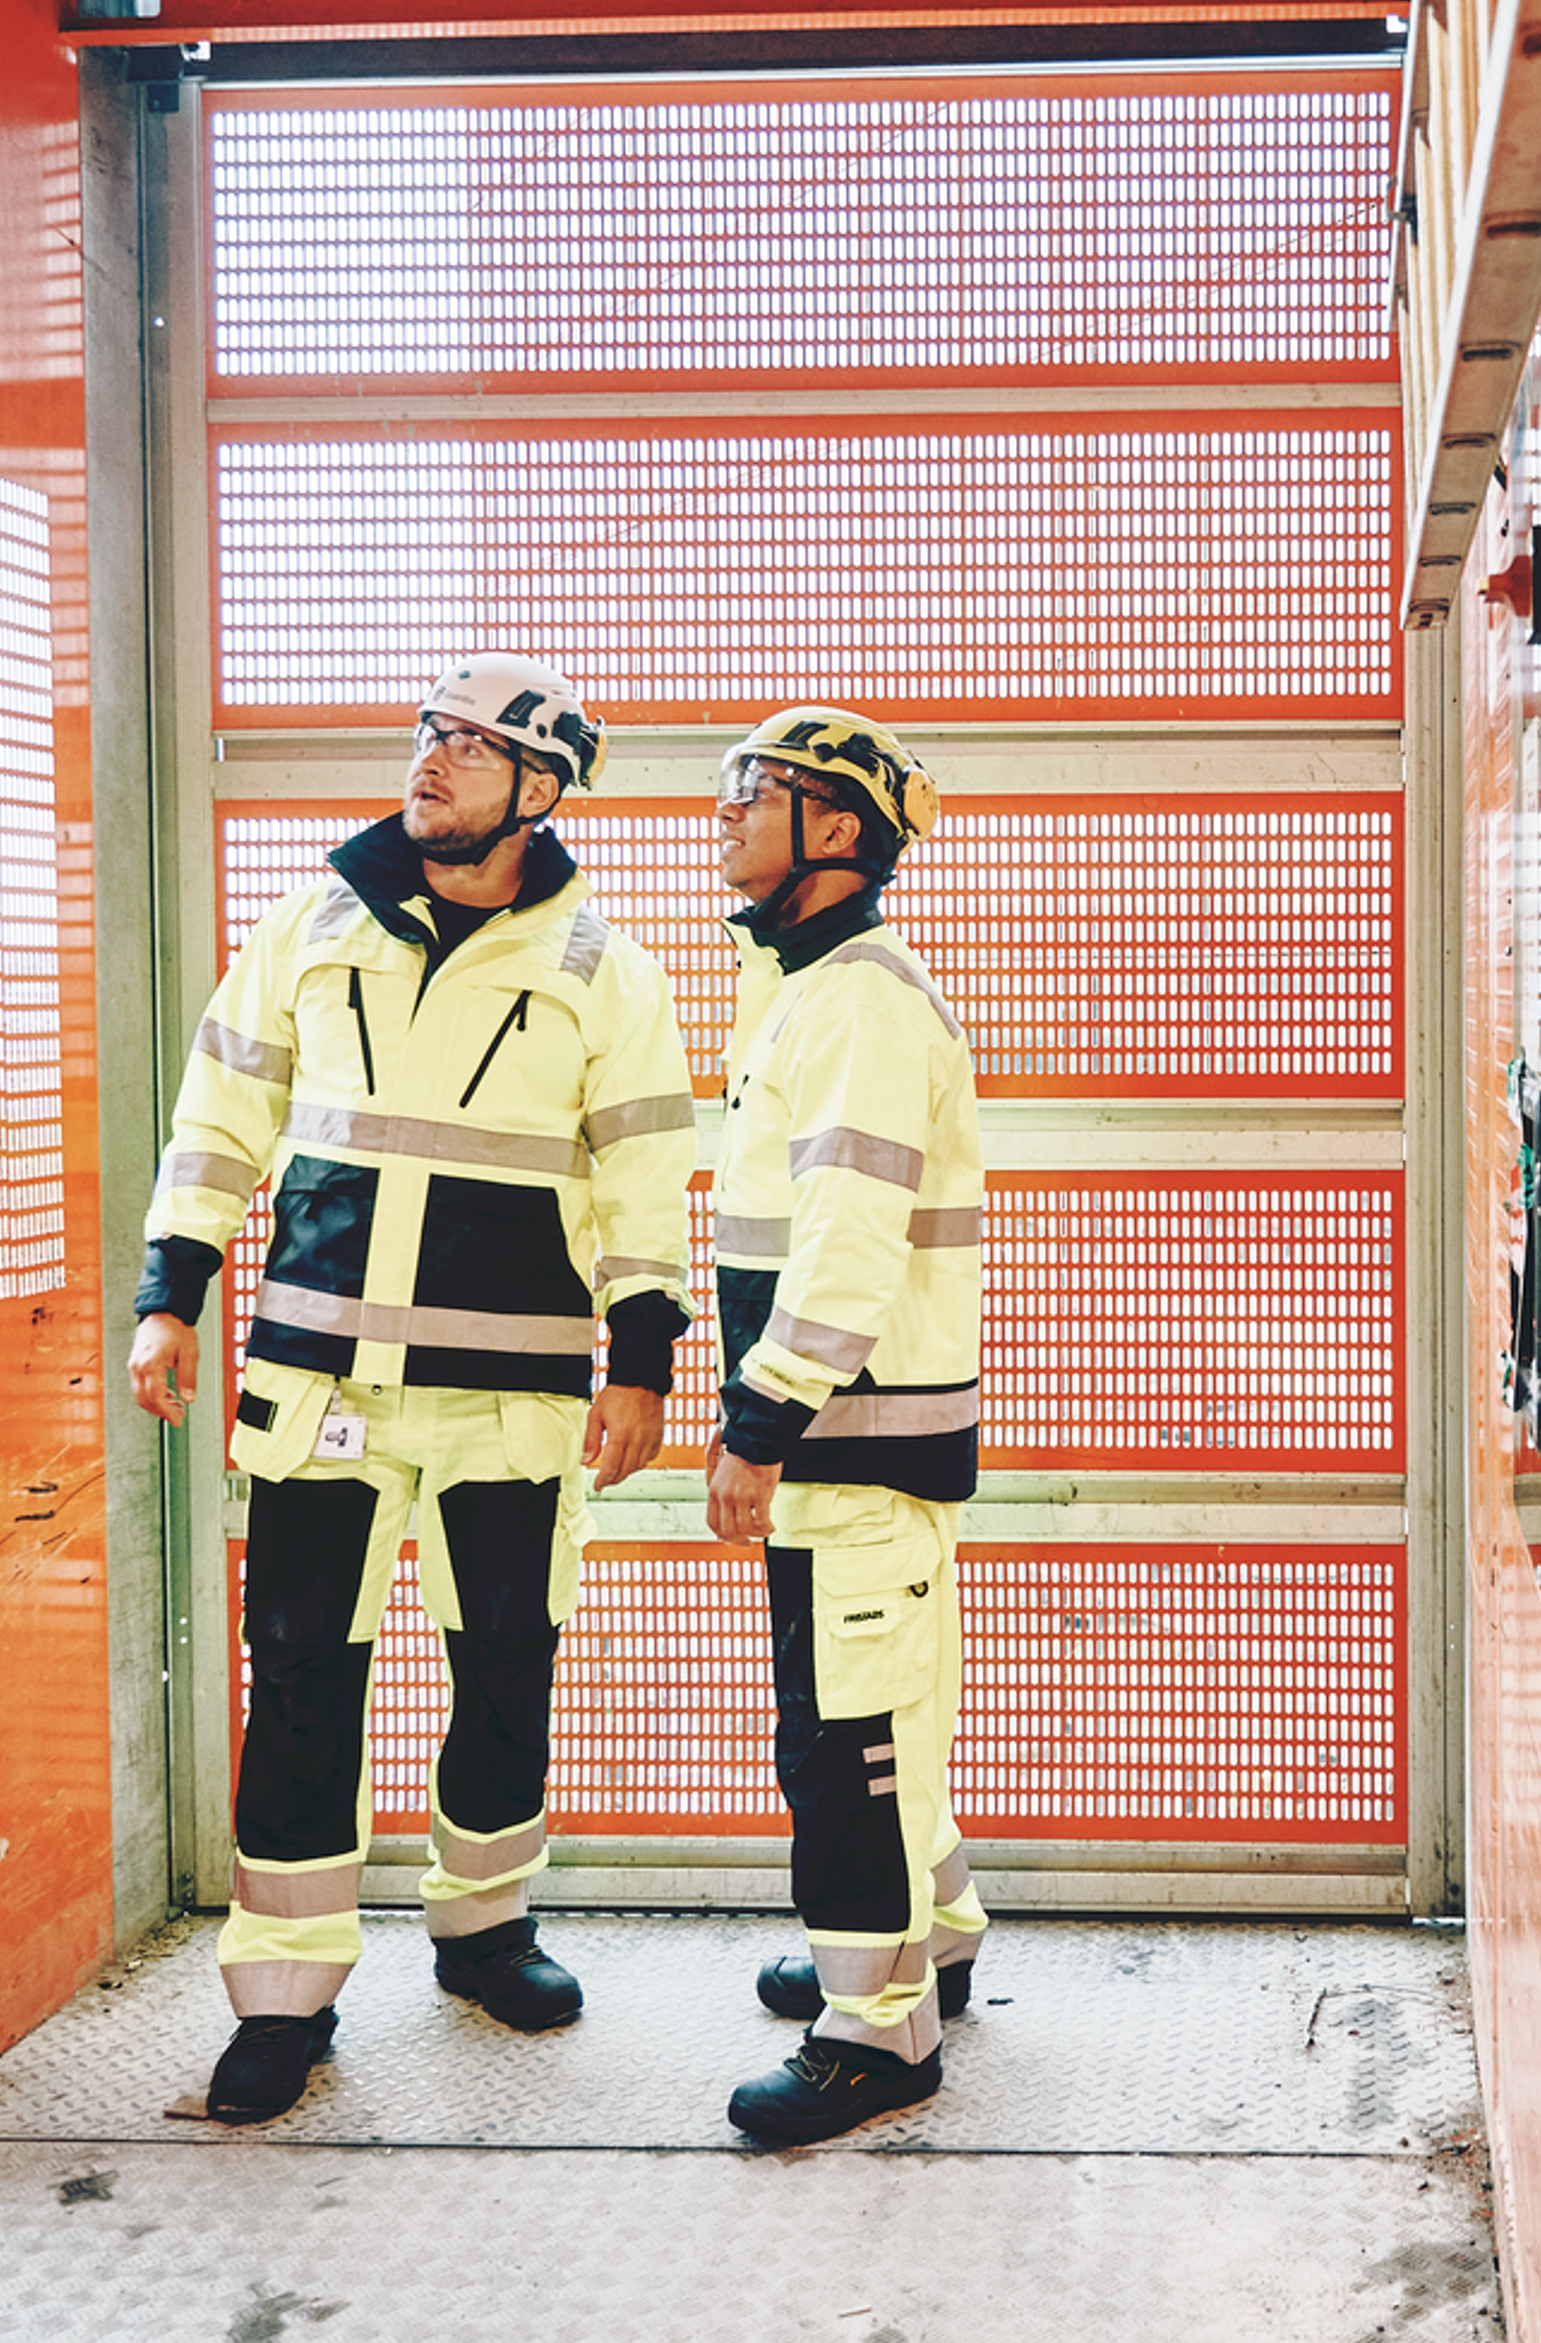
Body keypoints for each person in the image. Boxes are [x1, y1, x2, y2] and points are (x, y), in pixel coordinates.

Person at [126, 653, 694, 2125]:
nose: (430, 762)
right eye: (428, 735)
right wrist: (168, 1296)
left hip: (511, 1396)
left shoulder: (605, 972)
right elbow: (218, 1113)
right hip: (316, 1383)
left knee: (507, 1660)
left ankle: (486, 1927)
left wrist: (644, 1365)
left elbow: (643, 1179)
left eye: (470, 745)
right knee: (303, 1671)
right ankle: (283, 1992)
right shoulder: (312, 921)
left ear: (541, 788)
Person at [700, 706, 986, 2145]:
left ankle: (878, 2034)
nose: (729, 813)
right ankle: (927, 1935)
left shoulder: (861, 1001)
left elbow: (847, 1248)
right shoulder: (814, 990)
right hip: (851, 1445)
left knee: (847, 1737)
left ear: (838, 829)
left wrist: (757, 1422)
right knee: (888, 1711)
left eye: (759, 791)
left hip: (848, 1441)